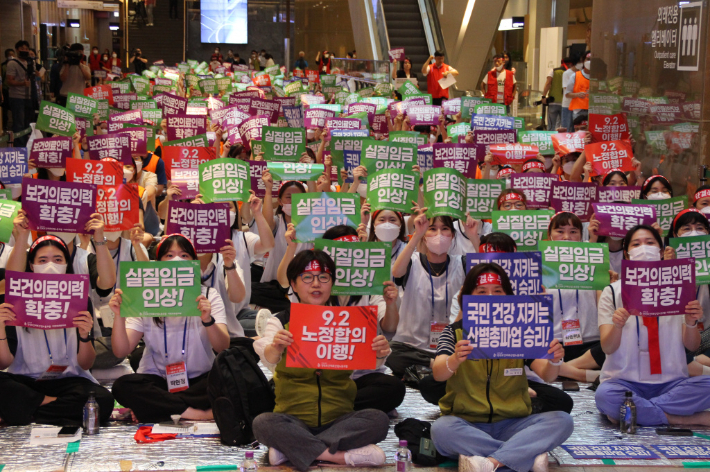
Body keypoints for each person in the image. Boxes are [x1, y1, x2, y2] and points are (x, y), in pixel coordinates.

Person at [252, 249, 391, 471]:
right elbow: (268, 357)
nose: (316, 284)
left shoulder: (347, 319)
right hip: (292, 419)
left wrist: (380, 352)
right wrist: (276, 347)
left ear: (332, 284)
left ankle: (294, 449)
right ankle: (337, 456)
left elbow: (372, 363)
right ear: (294, 285)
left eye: (323, 278)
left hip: (339, 419)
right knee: (263, 423)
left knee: (378, 420)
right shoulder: (281, 320)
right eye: (307, 277)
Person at [430, 263, 574, 472]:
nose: (490, 297)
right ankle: (523, 457)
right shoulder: (455, 332)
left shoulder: (521, 331)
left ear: (508, 296)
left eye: (497, 291)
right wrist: (454, 359)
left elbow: (547, 375)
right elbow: (438, 373)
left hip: (514, 424)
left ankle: (491, 463)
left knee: (563, 420)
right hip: (467, 423)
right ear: (467, 297)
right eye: (482, 292)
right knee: (441, 430)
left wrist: (555, 360)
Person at [594, 225, 710, 427]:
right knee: (606, 396)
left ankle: (633, 412)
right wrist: (618, 326)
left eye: (650, 243)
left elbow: (692, 346)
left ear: (660, 249)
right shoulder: (612, 292)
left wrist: (691, 324)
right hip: (624, 382)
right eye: (636, 244)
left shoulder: (680, 287)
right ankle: (681, 418)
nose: (644, 248)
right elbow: (607, 347)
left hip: (672, 383)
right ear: (627, 253)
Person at [109, 234, 230, 423]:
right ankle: (195, 413)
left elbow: (223, 346)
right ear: (157, 263)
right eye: (169, 255)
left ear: (194, 263)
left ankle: (157, 407)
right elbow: (121, 350)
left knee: (227, 381)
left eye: (184, 255)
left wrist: (208, 320)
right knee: (123, 386)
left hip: (199, 379)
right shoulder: (143, 296)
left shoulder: (208, 295)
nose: (176, 261)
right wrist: (119, 315)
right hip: (158, 380)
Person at [0, 235, 115, 426]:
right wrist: (0, 329)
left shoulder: (80, 300)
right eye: (43, 260)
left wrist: (85, 336)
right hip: (25, 380)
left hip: (69, 380)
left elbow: (86, 364)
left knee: (103, 400)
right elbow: (4, 362)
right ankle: (48, 406)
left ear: (66, 264)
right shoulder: (13, 301)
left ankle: (27, 412)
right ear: (31, 265)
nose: (50, 265)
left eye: (58, 260)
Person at [6, 40, 33, 144]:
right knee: (19, 123)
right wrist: (22, 83)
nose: (24, 50)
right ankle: (19, 146)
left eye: (26, 49)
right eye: (22, 49)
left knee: (28, 123)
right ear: (17, 50)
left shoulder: (29, 63)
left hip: (29, 96)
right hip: (17, 97)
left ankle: (27, 144)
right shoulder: (12, 63)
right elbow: (9, 80)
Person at [542, 57, 573, 131]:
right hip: (566, 104)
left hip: (553, 101)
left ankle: (550, 140)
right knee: (563, 126)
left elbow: (548, 83)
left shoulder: (553, 71)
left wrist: (543, 96)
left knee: (551, 126)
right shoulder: (572, 74)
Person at [566, 51, 590, 122]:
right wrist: (577, 94)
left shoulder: (598, 77)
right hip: (578, 111)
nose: (590, 62)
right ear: (583, 61)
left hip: (593, 111)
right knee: (579, 132)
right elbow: (567, 94)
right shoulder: (575, 75)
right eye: (588, 59)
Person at [560, 53, 580, 132]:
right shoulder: (567, 73)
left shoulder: (581, 74)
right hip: (567, 105)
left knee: (575, 129)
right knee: (566, 128)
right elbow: (566, 88)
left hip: (578, 105)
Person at [1, 48, 14, 128]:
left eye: (12, 54)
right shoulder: (3, 66)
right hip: (5, 89)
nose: (11, 56)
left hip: (14, 89)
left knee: (14, 109)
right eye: (9, 55)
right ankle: (4, 125)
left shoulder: (16, 64)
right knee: (4, 109)